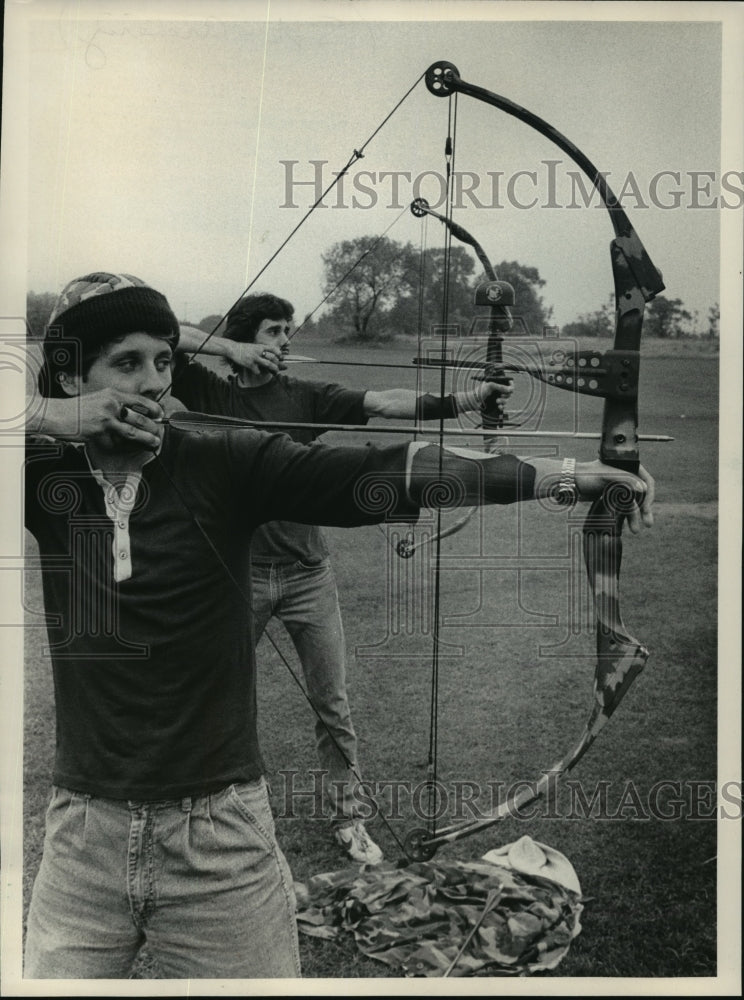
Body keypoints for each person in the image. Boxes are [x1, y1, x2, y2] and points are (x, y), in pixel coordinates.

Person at [24, 271, 654, 979]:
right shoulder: (44, 477)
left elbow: (381, 471)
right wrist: (51, 419)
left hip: (220, 835)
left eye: (165, 361)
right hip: (84, 837)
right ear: (71, 378)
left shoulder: (219, 457)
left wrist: (567, 475)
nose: (153, 384)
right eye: (126, 363)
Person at [172, 293, 513, 865]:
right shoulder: (209, 391)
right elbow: (159, 328)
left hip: (309, 574)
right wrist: (229, 349)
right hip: (238, 575)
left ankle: (350, 818)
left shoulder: (303, 395)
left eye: (288, 330)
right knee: (213, 696)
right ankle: (197, 813)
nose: (285, 340)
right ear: (245, 337)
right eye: (273, 331)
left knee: (332, 704)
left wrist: (467, 399)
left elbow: (382, 401)